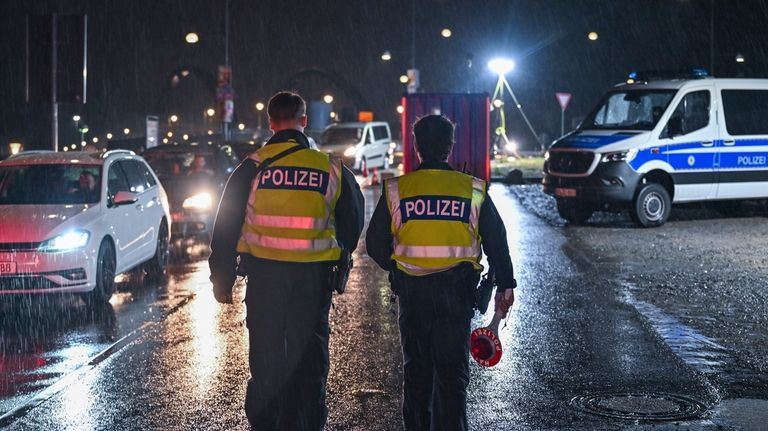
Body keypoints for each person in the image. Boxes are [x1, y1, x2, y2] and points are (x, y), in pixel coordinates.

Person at [208, 91, 364, 430]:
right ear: (304, 121)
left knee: (266, 361)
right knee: (309, 360)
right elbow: (352, 220)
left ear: (270, 123)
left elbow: (225, 227)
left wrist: (222, 279)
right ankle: (306, 422)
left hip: (265, 280)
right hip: (312, 281)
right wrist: (340, 254)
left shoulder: (251, 167)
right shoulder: (330, 168)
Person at [366, 114, 517, 431]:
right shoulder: (472, 190)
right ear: (450, 146)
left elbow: (375, 243)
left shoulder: (398, 190)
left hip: (413, 296)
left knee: (418, 375)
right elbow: (496, 239)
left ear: (416, 146)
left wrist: (398, 269)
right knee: (451, 377)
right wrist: (505, 283)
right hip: (455, 297)